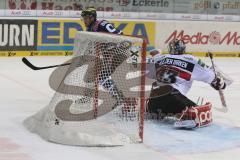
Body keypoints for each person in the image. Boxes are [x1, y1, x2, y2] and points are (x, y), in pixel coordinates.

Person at [146, 39, 226, 128]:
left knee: (156, 110)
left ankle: (153, 111)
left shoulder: (161, 58)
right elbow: (211, 77)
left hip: (153, 100)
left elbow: (144, 66)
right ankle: (187, 115)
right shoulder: (191, 59)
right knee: (195, 113)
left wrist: (156, 55)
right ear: (183, 48)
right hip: (172, 96)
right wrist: (219, 82)